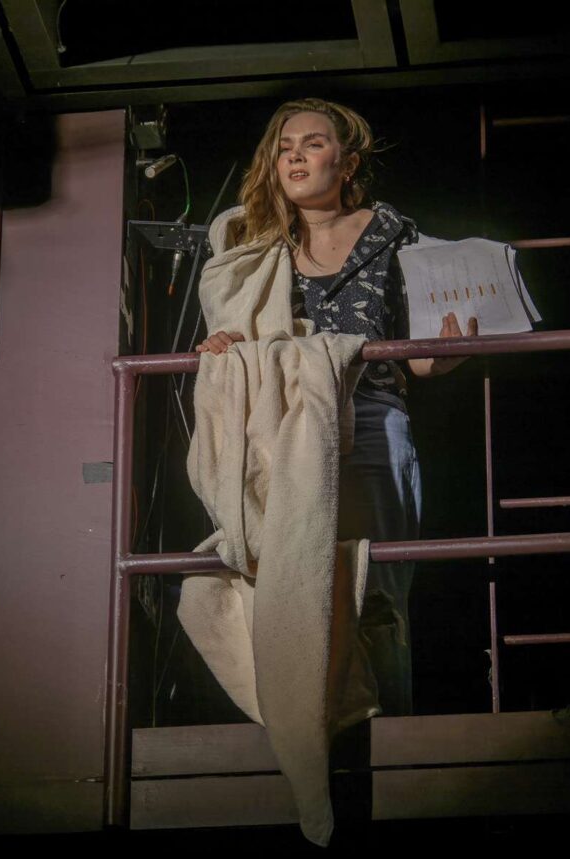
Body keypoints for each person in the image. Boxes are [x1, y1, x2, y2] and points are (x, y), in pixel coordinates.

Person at [195, 98, 474, 716]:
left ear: (347, 164)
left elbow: (422, 361)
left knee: (375, 589)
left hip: (370, 417)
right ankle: (315, 726)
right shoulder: (251, 242)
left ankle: (392, 733)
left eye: (313, 143)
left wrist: (452, 349)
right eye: (285, 145)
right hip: (284, 427)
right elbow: (239, 338)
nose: (294, 154)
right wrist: (225, 348)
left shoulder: (395, 236)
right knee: (291, 583)